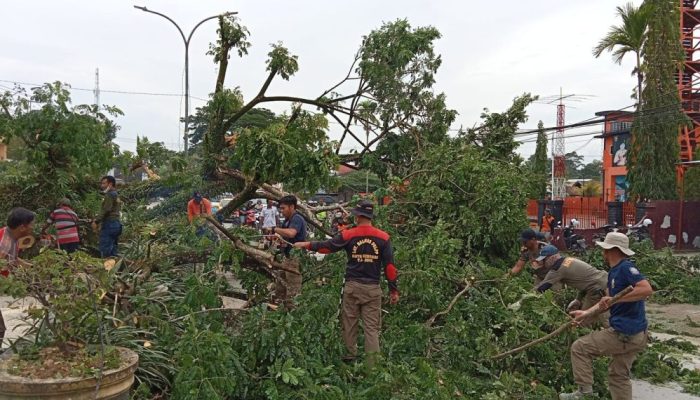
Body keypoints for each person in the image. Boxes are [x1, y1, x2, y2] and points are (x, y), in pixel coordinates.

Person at [294, 200, 399, 363]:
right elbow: (390, 267)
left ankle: (350, 361)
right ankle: (373, 369)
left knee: (349, 324)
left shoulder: (349, 234)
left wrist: (306, 244)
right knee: (371, 330)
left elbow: (327, 248)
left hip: (353, 287)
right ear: (371, 216)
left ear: (358, 216)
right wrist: (393, 291)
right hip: (372, 288)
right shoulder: (383, 238)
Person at [560, 232, 653, 400]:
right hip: (636, 334)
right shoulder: (613, 273)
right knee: (618, 376)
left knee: (580, 348)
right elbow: (607, 301)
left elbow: (646, 290)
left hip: (625, 333)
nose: (603, 253)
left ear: (611, 250)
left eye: (605, 249)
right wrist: (586, 313)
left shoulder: (625, 268)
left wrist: (617, 298)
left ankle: (584, 393)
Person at [534, 245, 608, 327]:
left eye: (544, 260)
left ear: (552, 258)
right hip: (601, 282)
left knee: (594, 319)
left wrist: (524, 297)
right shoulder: (568, 260)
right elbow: (586, 281)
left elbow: (542, 287)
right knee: (586, 317)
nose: (543, 263)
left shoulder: (557, 269)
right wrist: (578, 299)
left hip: (598, 289)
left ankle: (615, 335)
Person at [0, 208, 35, 345]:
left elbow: (13, 259)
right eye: (31, 224)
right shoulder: (5, 242)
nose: (32, 228)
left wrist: (31, 267)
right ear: (22, 227)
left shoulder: (11, 237)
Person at [271, 195, 307, 304]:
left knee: (293, 287)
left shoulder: (297, 218)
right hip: (287, 256)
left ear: (291, 207)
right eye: (280, 208)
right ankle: (280, 308)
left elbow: (291, 233)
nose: (281, 211)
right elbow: (284, 237)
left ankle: (292, 311)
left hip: (295, 257)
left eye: (283, 208)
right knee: (281, 284)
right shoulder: (287, 220)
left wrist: (274, 229)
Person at [92, 176, 122, 258]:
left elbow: (106, 210)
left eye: (104, 183)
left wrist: (96, 221)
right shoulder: (116, 194)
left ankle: (105, 268)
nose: (102, 186)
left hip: (110, 224)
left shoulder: (109, 195)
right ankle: (113, 268)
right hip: (116, 224)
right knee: (113, 249)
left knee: (105, 248)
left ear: (110, 184)